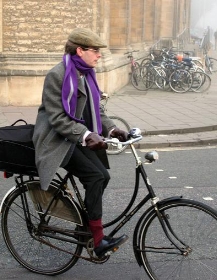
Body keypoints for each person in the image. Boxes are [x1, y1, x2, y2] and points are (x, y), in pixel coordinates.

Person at [32, 28, 129, 258]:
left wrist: (112, 129)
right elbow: (57, 118)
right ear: (80, 50)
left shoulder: (86, 74)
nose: (99, 56)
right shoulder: (58, 75)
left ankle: (83, 227)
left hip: (74, 137)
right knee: (94, 177)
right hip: (56, 141)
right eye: (95, 51)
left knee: (102, 175)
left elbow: (96, 110)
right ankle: (97, 240)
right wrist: (86, 135)